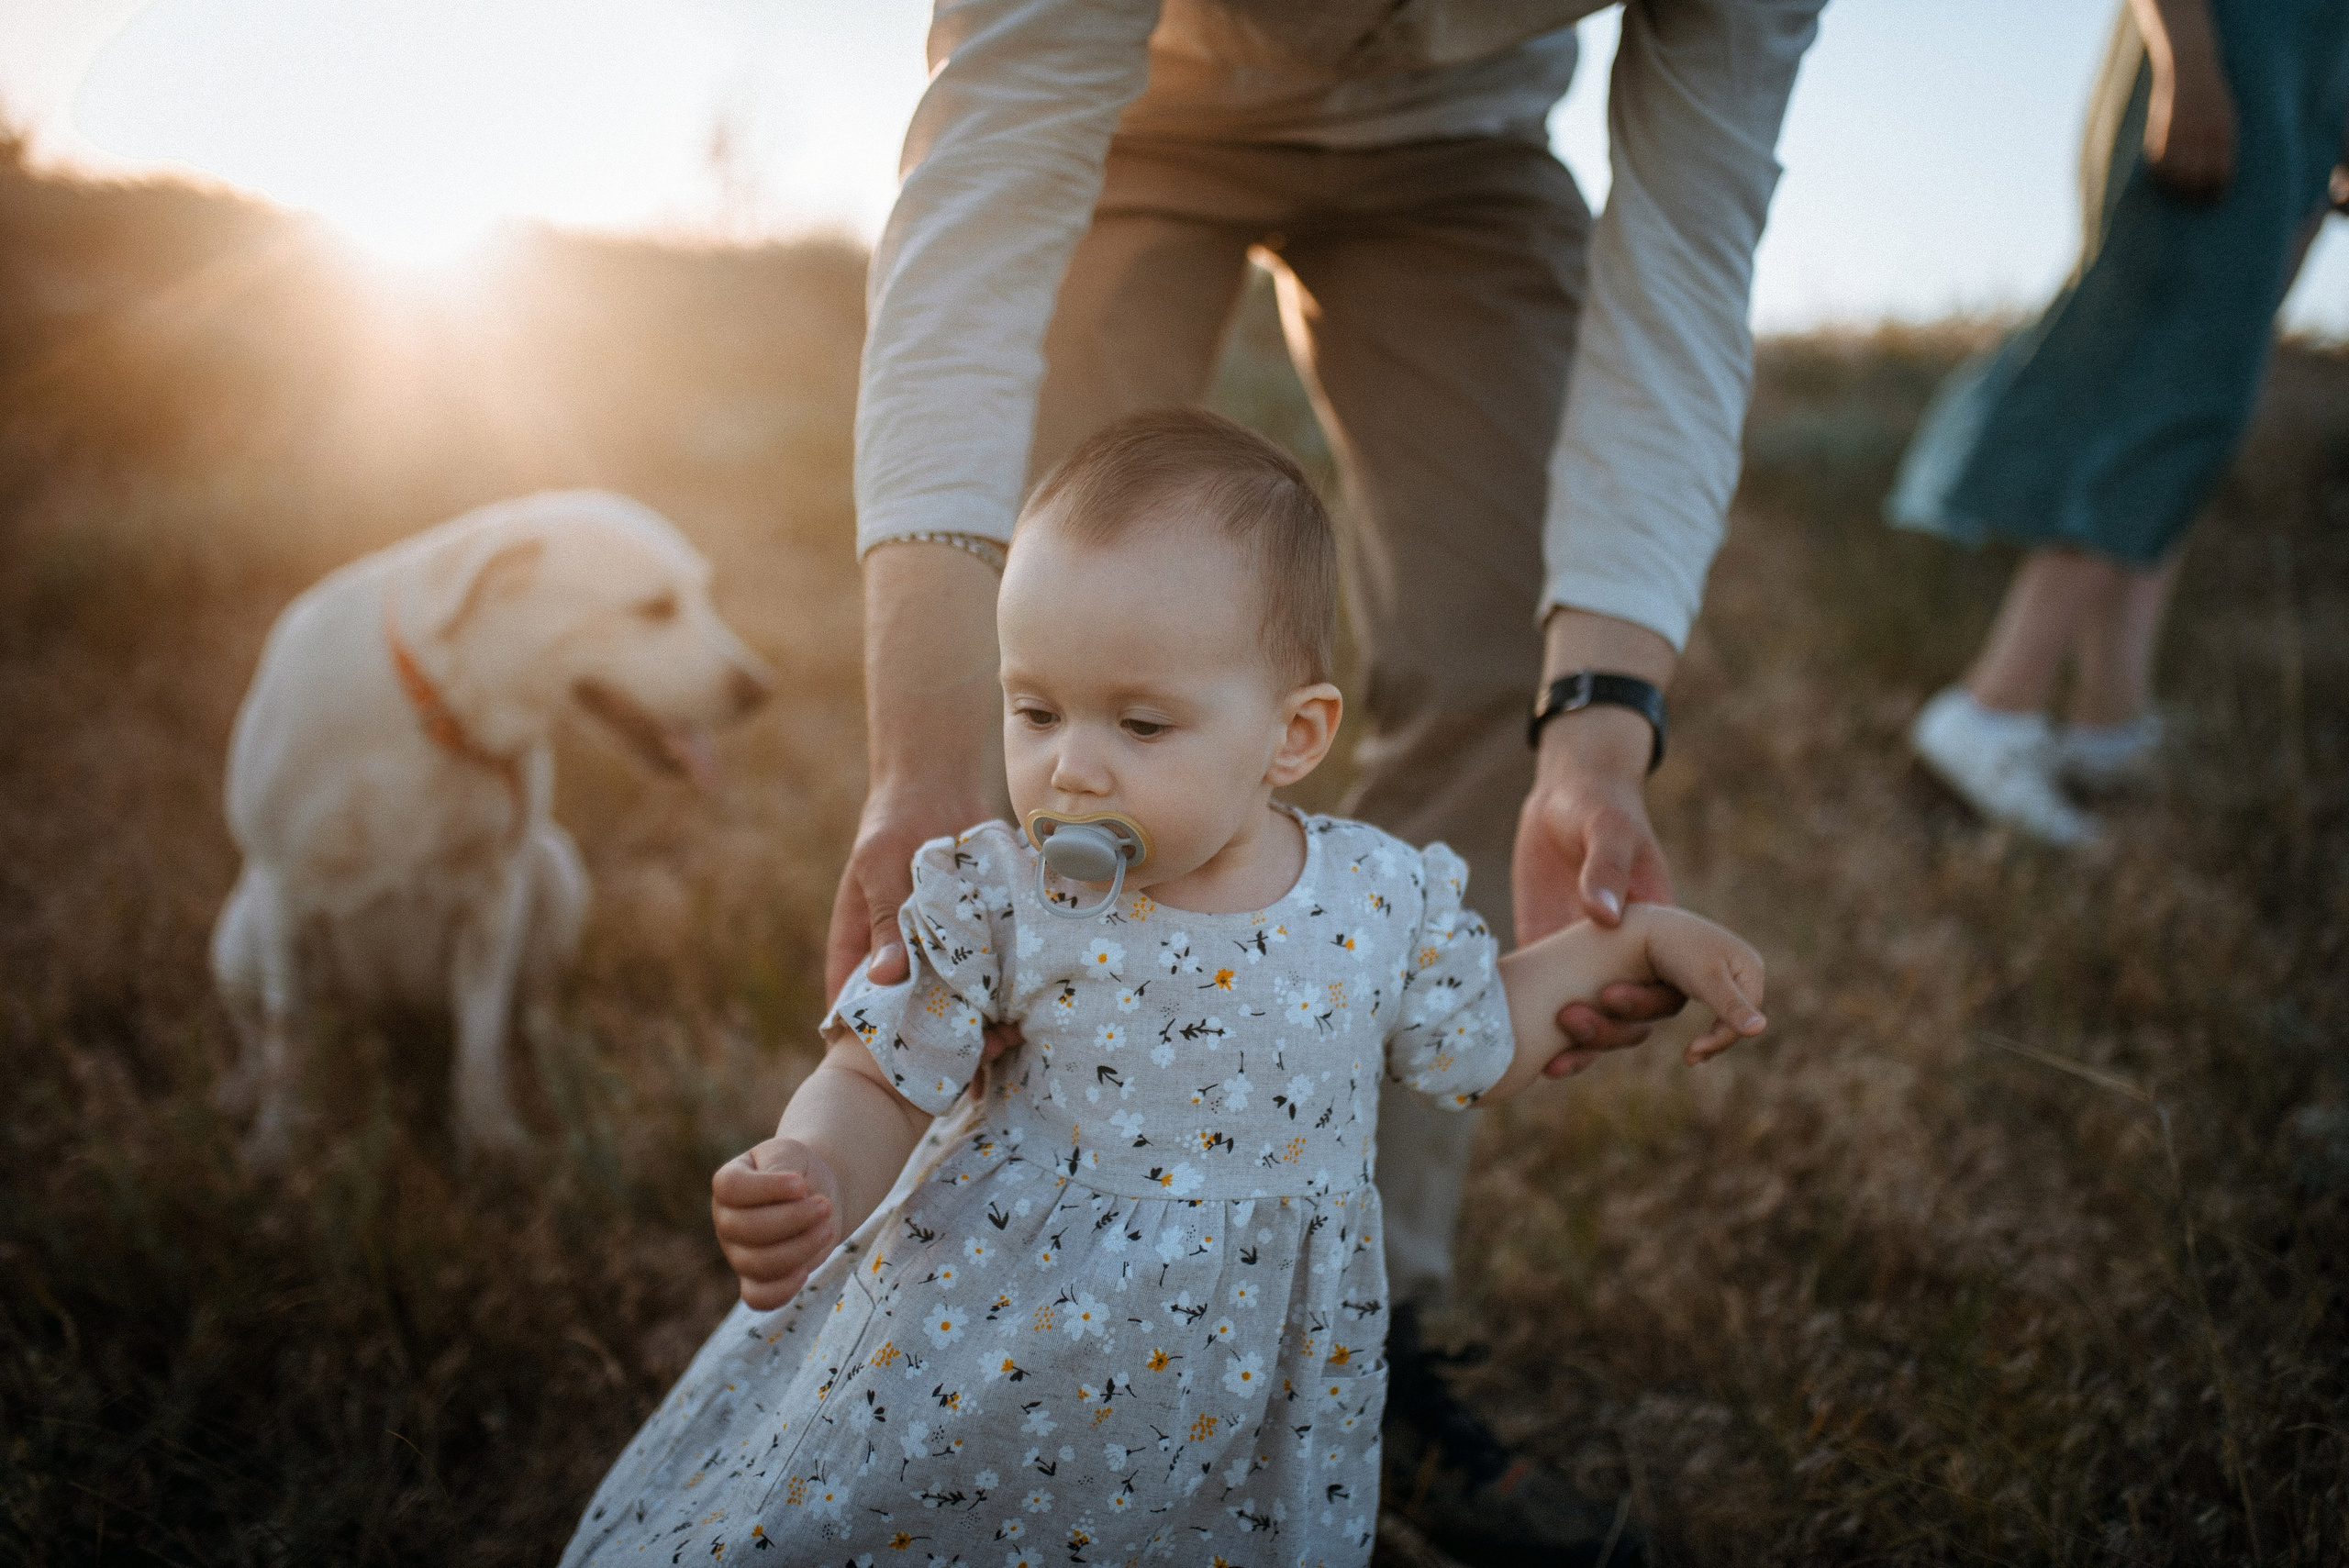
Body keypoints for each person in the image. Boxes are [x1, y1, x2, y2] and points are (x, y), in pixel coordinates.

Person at [835, 3, 1822, 1551]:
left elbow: (1690, 246)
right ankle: (990, 1287)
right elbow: (986, 181)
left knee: (1501, 655)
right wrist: (921, 752)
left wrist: (1593, 732)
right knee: (1082, 623)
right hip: (1139, 104)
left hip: (1461, 149)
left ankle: (1339, 1323)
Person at [562, 410, 1766, 1567]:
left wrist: (1636, 943)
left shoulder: (1375, 898)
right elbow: (879, 1070)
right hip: (980, 1346)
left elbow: (1484, 1033)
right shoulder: (1005, 892)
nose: (1070, 764)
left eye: (1140, 723)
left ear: (1293, 737)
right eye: (1033, 708)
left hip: (1233, 1383)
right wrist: (817, 1167)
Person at [1891, 0, 2349, 845]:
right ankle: (1994, 710)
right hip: (2223, 56)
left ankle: (2109, 720)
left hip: (2304, 85)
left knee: (2197, 398)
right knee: (2158, 394)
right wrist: (2188, 61)